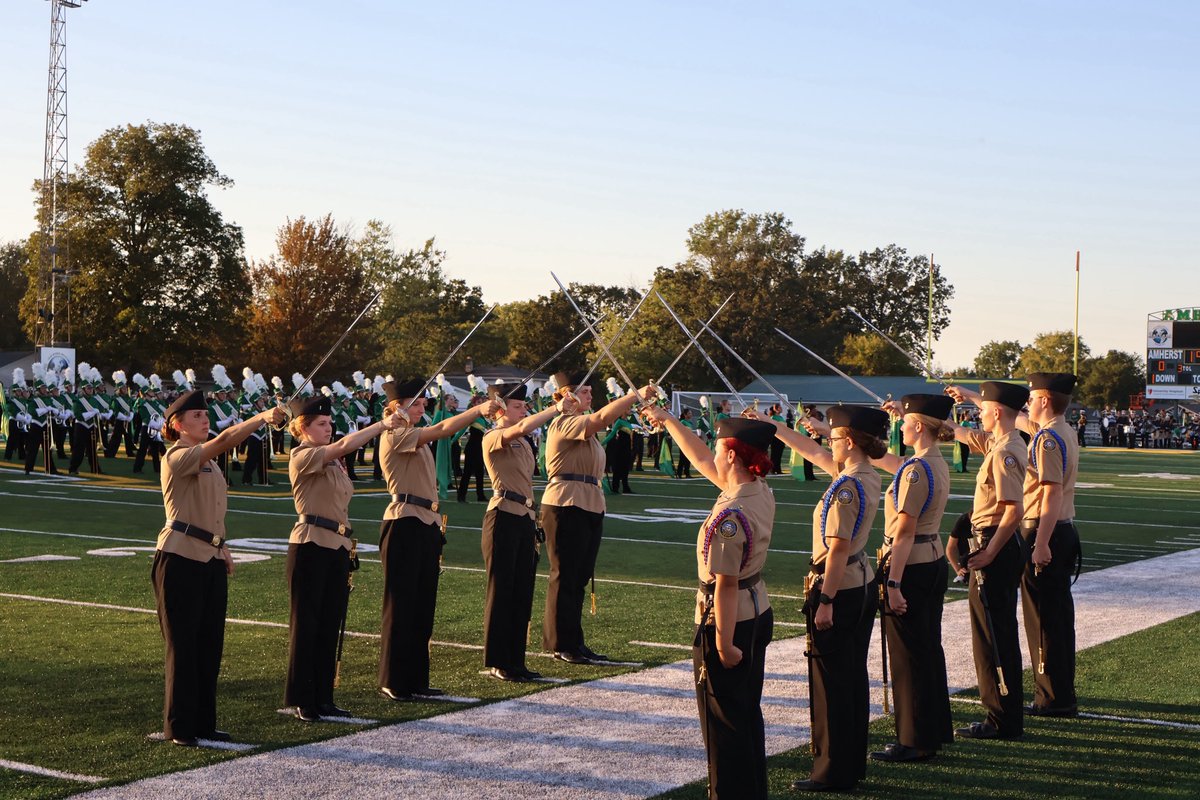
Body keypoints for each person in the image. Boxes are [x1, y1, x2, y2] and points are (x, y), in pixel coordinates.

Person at [646, 405, 776, 799]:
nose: (713, 453)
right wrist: (668, 421)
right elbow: (701, 457)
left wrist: (722, 642)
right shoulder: (757, 490)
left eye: (720, 447)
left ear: (733, 455)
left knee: (723, 724)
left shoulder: (731, 513)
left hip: (728, 621)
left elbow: (724, 583)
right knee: (744, 713)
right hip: (756, 610)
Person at [759, 404, 889, 792]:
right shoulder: (862, 473)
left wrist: (826, 599)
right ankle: (848, 763)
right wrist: (775, 427)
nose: (826, 443)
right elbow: (813, 452)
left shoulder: (848, 484)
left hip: (840, 585)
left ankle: (832, 770)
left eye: (833, 438)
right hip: (858, 580)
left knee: (832, 682)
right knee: (849, 678)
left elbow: (836, 549)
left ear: (849, 442)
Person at [152, 389, 283, 746]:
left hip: (208, 556)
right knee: (183, 645)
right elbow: (226, 439)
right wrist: (259, 418)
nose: (204, 419)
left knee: (209, 644)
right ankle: (179, 726)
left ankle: (204, 723)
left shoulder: (207, 463)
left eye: (205, 415)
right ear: (176, 426)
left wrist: (221, 546)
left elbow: (210, 511)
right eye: (195, 416)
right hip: (180, 557)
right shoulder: (177, 456)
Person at [377, 377, 501, 700]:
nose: (422, 408)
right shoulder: (395, 434)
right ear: (396, 407)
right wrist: (477, 411)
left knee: (422, 606)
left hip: (428, 522)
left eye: (421, 403)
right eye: (415, 403)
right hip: (404, 522)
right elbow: (444, 429)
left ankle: (416, 678)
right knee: (401, 605)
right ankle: (393, 678)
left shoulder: (414, 435)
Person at [284, 392, 404, 721]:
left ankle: (324, 696)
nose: (329, 428)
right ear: (302, 428)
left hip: (336, 545)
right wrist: (381, 425)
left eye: (329, 423)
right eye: (321, 424)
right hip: (310, 545)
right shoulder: (303, 455)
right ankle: (301, 697)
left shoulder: (331, 461)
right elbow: (341, 447)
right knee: (306, 625)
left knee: (329, 625)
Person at [541, 372, 656, 664]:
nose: (591, 395)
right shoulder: (564, 423)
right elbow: (600, 419)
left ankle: (574, 641)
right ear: (567, 395)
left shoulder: (586, 430)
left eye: (592, 390)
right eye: (585, 391)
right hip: (566, 504)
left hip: (589, 503)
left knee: (579, 577)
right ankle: (559, 643)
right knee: (565, 575)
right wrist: (634, 394)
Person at [869, 395, 956, 762]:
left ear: (919, 426)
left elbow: (903, 531)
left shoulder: (916, 469)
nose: (900, 426)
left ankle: (914, 739)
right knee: (927, 648)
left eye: (905, 421)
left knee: (909, 656)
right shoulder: (930, 461)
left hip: (911, 563)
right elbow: (889, 461)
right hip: (931, 559)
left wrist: (892, 583)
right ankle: (932, 729)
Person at [944, 380, 1030, 740]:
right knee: (993, 632)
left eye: (983, 409)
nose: (979, 413)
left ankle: (1002, 718)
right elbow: (964, 434)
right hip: (993, 544)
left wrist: (989, 552)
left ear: (997, 412)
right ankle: (1001, 713)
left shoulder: (1007, 450)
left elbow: (1013, 510)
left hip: (996, 545)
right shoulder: (1000, 443)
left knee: (994, 635)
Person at [480, 381, 560, 681]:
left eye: (523, 406)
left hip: (525, 517)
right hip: (502, 516)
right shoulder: (493, 436)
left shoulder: (524, 441)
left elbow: (523, 429)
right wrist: (555, 409)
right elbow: (517, 429)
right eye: (516, 405)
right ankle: (499, 661)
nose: (523, 409)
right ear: (500, 407)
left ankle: (516, 659)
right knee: (501, 592)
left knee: (521, 592)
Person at [1018, 373, 1081, 717]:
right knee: (1054, 616)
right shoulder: (1061, 430)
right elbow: (1018, 419)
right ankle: (1059, 693)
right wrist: (971, 396)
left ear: (1044, 399)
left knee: (1043, 619)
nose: (1027, 401)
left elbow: (1051, 491)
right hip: (1059, 529)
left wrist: (1040, 543)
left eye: (1031, 396)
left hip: (1047, 531)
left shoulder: (1048, 439)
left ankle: (1052, 697)